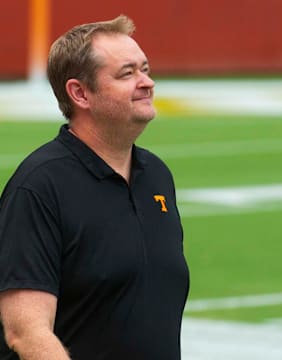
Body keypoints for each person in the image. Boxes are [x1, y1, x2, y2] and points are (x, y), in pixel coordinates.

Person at [0, 15, 189, 360]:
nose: (146, 82)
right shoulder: (39, 186)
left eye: (145, 69)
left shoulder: (157, 176)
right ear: (80, 93)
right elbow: (26, 333)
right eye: (127, 73)